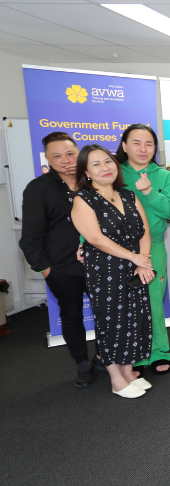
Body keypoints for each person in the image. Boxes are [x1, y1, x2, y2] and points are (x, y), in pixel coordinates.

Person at [71, 145, 154, 398]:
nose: (104, 168)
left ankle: (128, 371)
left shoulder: (128, 195)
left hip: (134, 265)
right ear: (86, 172)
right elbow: (95, 238)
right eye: (95, 164)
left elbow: (145, 232)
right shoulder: (82, 199)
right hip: (105, 268)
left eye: (107, 162)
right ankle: (116, 379)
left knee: (135, 319)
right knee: (112, 322)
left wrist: (142, 262)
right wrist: (134, 257)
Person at [19, 132, 95, 387]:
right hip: (62, 269)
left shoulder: (95, 180)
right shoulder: (38, 189)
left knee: (109, 314)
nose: (66, 160)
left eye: (70, 153)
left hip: (101, 264)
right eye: (57, 156)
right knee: (72, 316)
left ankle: (108, 358)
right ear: (49, 161)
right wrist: (46, 270)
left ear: (79, 153)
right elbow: (29, 238)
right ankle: (83, 365)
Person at [115, 123, 170, 375]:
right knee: (125, 303)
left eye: (149, 144)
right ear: (124, 146)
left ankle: (159, 351)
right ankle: (134, 355)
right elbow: (92, 208)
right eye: (136, 143)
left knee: (154, 299)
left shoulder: (166, 177)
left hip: (153, 246)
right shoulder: (114, 173)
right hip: (116, 249)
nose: (143, 149)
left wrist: (149, 192)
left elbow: (169, 211)